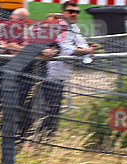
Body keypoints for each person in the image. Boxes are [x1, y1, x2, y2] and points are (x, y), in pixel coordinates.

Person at [38, 1, 96, 139]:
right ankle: (41, 138)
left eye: (76, 11)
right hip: (48, 73)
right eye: (70, 11)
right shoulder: (60, 26)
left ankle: (48, 138)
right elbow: (66, 50)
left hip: (61, 75)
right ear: (63, 12)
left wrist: (87, 50)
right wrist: (86, 51)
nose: (74, 14)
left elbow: (83, 44)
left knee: (54, 108)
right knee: (46, 109)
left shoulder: (74, 27)